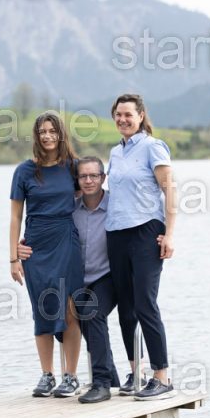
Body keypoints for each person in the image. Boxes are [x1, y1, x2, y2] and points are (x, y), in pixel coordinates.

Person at [19, 156, 122, 404]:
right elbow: (45, 228)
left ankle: (101, 383)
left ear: (103, 178)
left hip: (105, 277)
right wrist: (24, 246)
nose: (88, 181)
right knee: (65, 322)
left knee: (89, 312)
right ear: (76, 181)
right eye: (83, 176)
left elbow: (140, 222)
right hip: (75, 277)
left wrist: (160, 236)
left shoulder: (117, 206)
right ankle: (111, 378)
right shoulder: (68, 210)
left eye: (94, 176)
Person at [106, 93, 178, 401]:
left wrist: (170, 234)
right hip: (116, 234)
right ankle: (137, 373)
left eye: (128, 114)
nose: (123, 119)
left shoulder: (153, 146)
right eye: (118, 114)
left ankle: (161, 377)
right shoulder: (115, 152)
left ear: (141, 116)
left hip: (146, 232)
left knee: (145, 304)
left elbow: (170, 191)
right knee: (126, 307)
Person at [9, 112, 84, 398]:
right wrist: (13, 256)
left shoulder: (72, 168)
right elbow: (15, 216)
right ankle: (47, 375)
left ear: (61, 134)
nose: (48, 136)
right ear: (36, 136)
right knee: (42, 308)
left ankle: (71, 376)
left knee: (70, 308)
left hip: (66, 241)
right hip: (35, 248)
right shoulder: (24, 171)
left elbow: (91, 199)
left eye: (53, 131)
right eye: (42, 131)